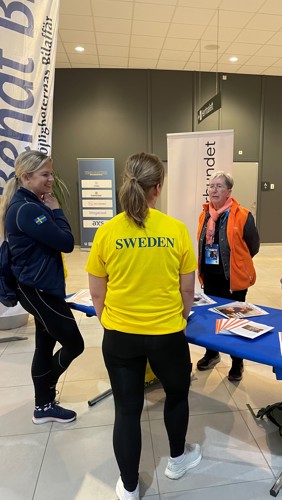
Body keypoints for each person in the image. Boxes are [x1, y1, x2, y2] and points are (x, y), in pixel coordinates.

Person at [86, 152, 201, 500]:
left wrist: (111, 321)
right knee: (177, 395)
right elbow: (187, 290)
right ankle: (177, 461)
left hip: (120, 336)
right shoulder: (175, 230)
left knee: (127, 410)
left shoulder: (107, 232)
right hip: (166, 335)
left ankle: (130, 486)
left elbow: (96, 291)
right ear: (158, 188)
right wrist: (178, 316)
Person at [0, 150, 84, 424]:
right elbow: (65, 242)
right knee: (74, 343)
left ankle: (43, 406)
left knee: (44, 346)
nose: (51, 179)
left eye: (51, 174)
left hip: (40, 287)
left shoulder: (27, 205)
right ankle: (46, 390)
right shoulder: (27, 210)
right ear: (26, 177)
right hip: (39, 291)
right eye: (45, 174)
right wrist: (57, 210)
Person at [196, 171, 260, 382]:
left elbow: (253, 246)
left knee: (234, 321)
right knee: (210, 318)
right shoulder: (205, 214)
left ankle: (237, 362)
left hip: (233, 280)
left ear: (229, 191)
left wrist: (236, 264)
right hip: (210, 277)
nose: (213, 190)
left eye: (219, 186)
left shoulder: (243, 215)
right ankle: (212, 353)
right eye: (211, 186)